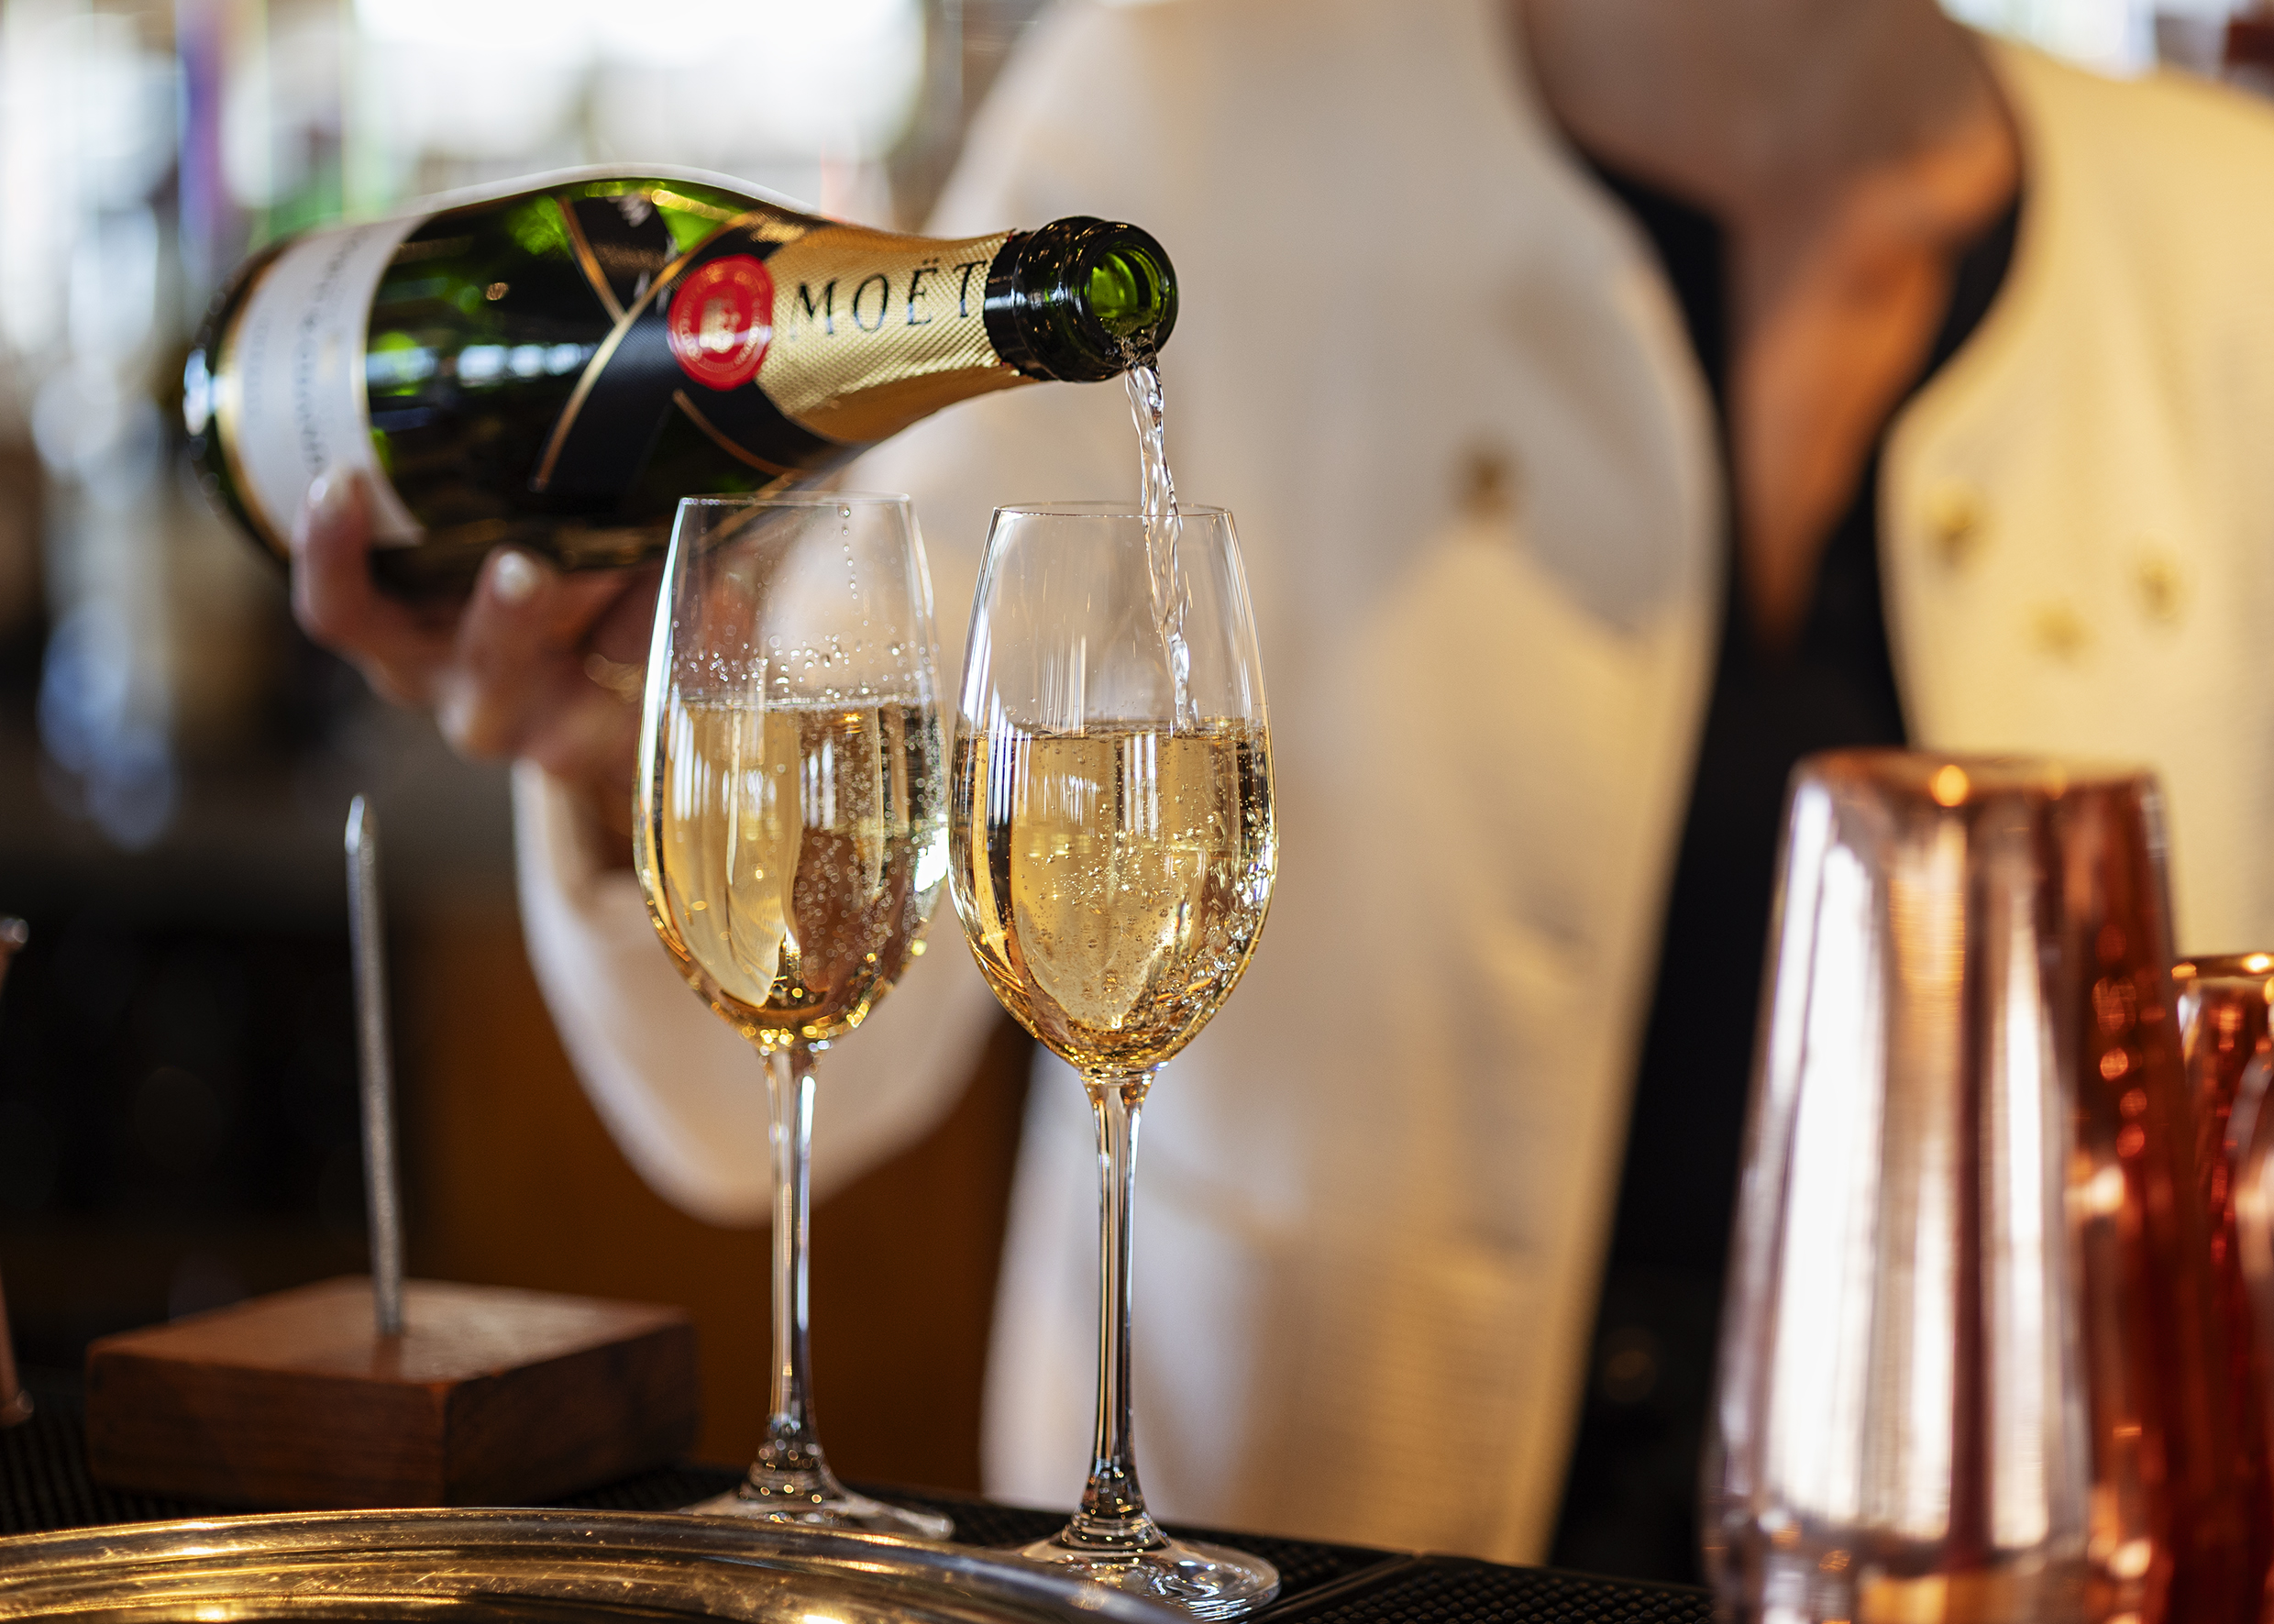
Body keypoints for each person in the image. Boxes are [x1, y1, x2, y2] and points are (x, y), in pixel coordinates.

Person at [290, 0, 2274, 1580]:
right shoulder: (1184, 112)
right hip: (1295, 1549)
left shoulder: (2230, 231)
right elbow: (804, 1046)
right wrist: (623, 744)